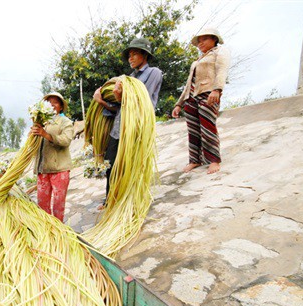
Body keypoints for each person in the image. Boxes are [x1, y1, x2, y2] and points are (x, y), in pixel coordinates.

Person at [93, 37, 163, 209]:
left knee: (134, 164)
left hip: (138, 127)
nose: (130, 58)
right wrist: (101, 101)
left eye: (134, 54)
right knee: (111, 163)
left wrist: (121, 96)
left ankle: (134, 200)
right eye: (129, 56)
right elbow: (119, 107)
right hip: (119, 127)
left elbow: (142, 99)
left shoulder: (154, 73)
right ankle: (110, 198)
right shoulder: (126, 78)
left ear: (144, 55)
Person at [172, 27, 230, 174]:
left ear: (214, 39)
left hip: (208, 94)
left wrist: (217, 89)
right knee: (193, 130)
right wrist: (179, 104)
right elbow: (188, 84)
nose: (200, 43)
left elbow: (222, 70)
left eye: (204, 39)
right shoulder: (197, 60)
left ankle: (214, 160)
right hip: (191, 97)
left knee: (208, 127)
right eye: (199, 41)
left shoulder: (219, 52)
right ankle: (195, 160)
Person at [31, 92, 74, 222]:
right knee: (42, 204)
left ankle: (58, 231)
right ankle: (47, 230)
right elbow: (35, 143)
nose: (52, 105)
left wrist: (46, 134)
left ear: (61, 106)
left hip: (59, 169)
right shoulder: (42, 122)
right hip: (43, 169)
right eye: (49, 102)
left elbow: (66, 140)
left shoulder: (65, 122)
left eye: (55, 102)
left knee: (58, 205)